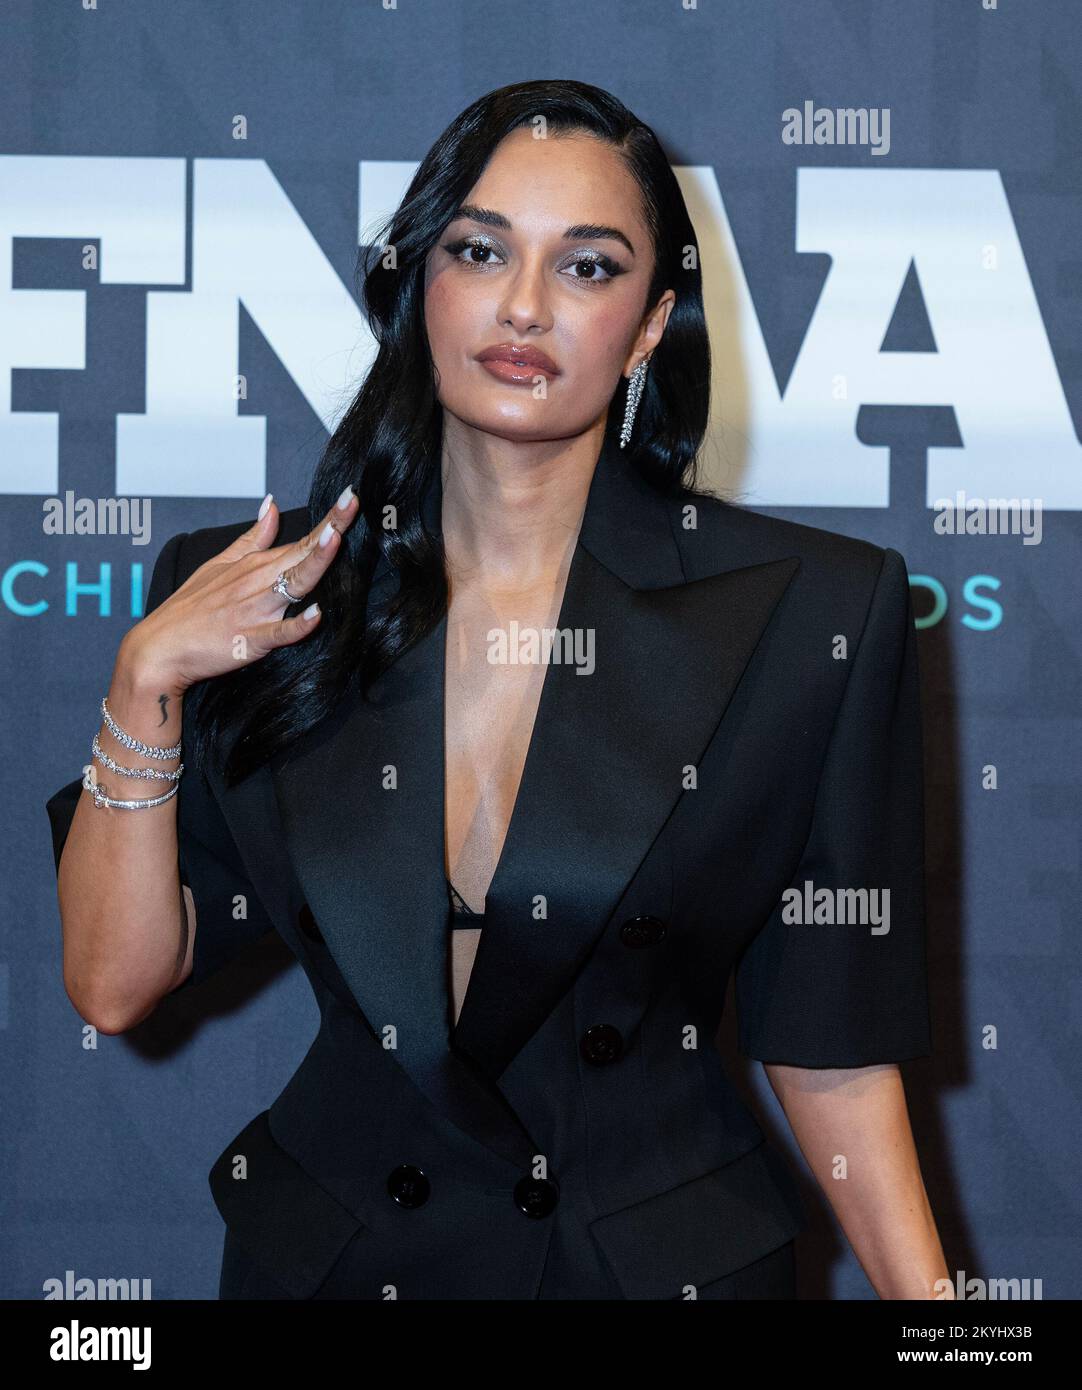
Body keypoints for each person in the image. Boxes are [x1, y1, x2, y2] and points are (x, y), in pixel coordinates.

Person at [46, 78, 948, 1300]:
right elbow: (116, 980)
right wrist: (143, 678)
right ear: (421, 279)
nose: (523, 306)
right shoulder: (246, 589)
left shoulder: (811, 617)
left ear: (647, 325)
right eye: (479, 250)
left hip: (648, 1268)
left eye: (586, 268)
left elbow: (830, 1053)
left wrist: (942, 1327)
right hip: (336, 1259)